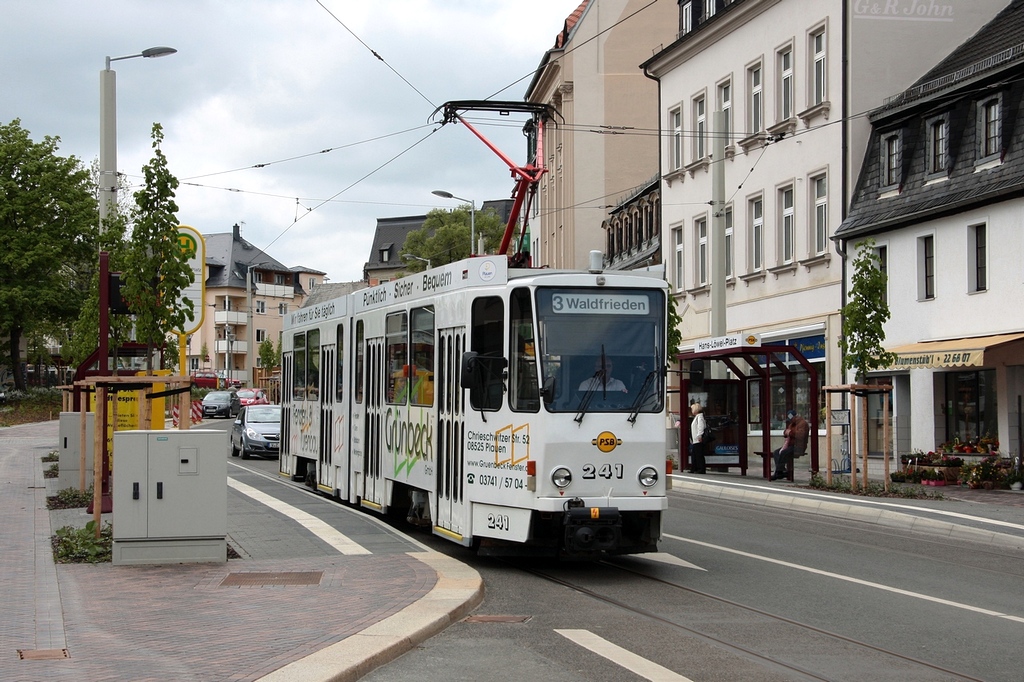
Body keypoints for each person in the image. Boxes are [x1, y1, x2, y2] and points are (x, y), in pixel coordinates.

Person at [772, 409, 810, 480]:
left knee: (783, 452)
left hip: (798, 446)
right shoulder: (792, 424)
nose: (790, 421)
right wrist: (786, 433)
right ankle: (781, 471)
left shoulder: (802, 423)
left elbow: (801, 435)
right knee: (776, 453)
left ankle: (778, 472)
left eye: (791, 419)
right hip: (790, 445)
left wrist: (790, 433)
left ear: (795, 417)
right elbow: (786, 432)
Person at [688, 401, 708, 474]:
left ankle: (701, 469)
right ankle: (694, 468)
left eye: (692, 409)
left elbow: (700, 427)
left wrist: (699, 435)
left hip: (698, 439)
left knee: (699, 454)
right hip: (695, 439)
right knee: (695, 454)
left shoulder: (700, 417)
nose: (691, 411)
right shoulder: (697, 417)